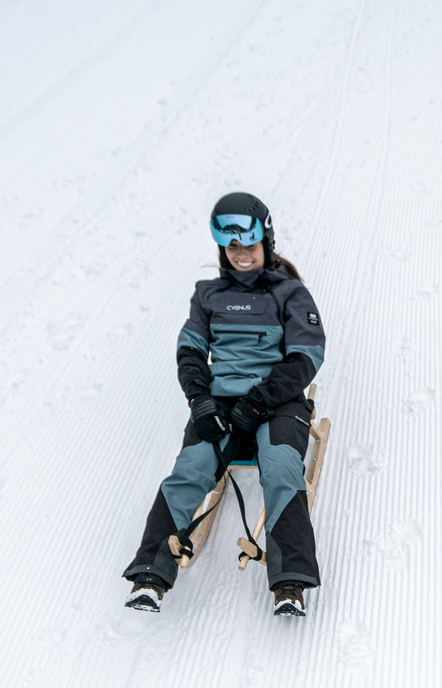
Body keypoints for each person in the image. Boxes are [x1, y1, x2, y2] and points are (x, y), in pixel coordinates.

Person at [122, 192, 325, 616]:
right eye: (232, 247)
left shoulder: (290, 294)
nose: (241, 255)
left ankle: (290, 583)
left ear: (265, 243)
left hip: (277, 402)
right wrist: (199, 400)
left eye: (248, 245)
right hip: (219, 406)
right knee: (189, 471)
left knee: (282, 468)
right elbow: (191, 351)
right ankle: (150, 576)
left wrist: (258, 401)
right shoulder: (207, 295)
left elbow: (306, 357)